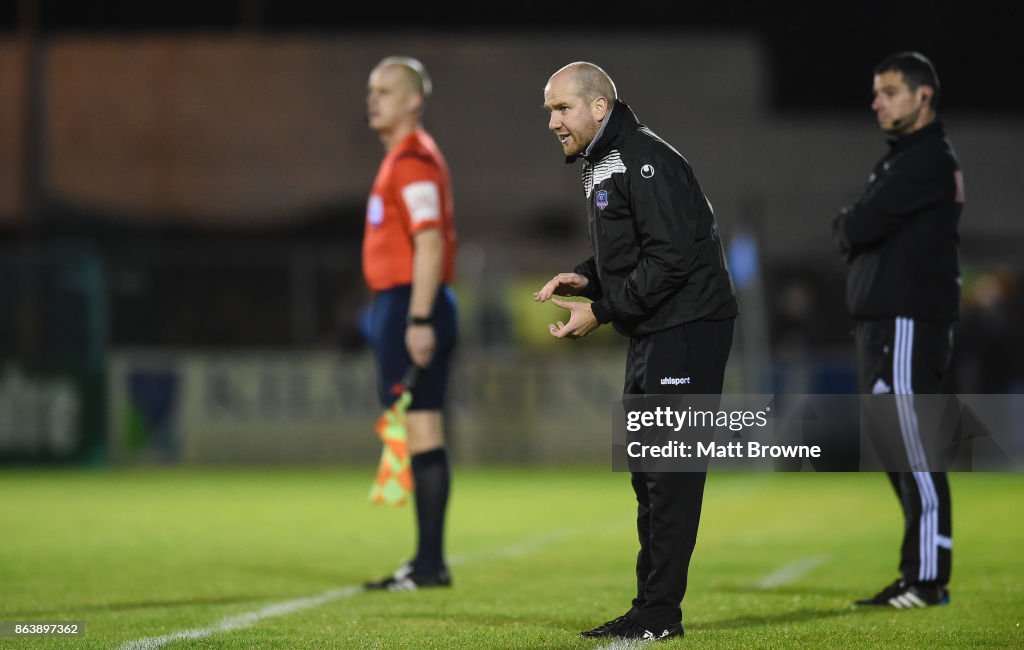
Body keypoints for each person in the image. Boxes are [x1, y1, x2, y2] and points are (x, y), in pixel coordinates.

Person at [535, 62, 737, 641]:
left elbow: (671, 259)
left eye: (561, 108)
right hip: (656, 326)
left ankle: (659, 615)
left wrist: (601, 310)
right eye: (549, 110)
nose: (552, 121)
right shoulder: (604, 160)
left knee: (669, 474)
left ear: (599, 108)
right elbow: (634, 253)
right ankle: (650, 607)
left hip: (689, 326)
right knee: (649, 473)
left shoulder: (646, 159)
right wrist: (586, 280)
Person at [833, 51, 962, 608]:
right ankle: (917, 571)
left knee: (912, 443)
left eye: (888, 91)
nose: (877, 102)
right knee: (896, 446)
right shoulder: (901, 159)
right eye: (876, 92)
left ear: (922, 96)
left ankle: (929, 578)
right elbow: (856, 225)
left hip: (906, 320)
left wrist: (852, 223)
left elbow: (856, 224)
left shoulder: (925, 158)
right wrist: (853, 224)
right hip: (885, 322)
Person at [360, 56, 458, 591]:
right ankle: (426, 562)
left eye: (386, 90)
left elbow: (429, 241)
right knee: (419, 429)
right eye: (371, 91)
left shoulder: (413, 159)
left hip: (411, 304)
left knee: (422, 429)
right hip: (399, 303)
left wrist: (417, 318)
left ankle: (428, 565)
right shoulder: (401, 158)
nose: (373, 99)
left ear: (413, 100)